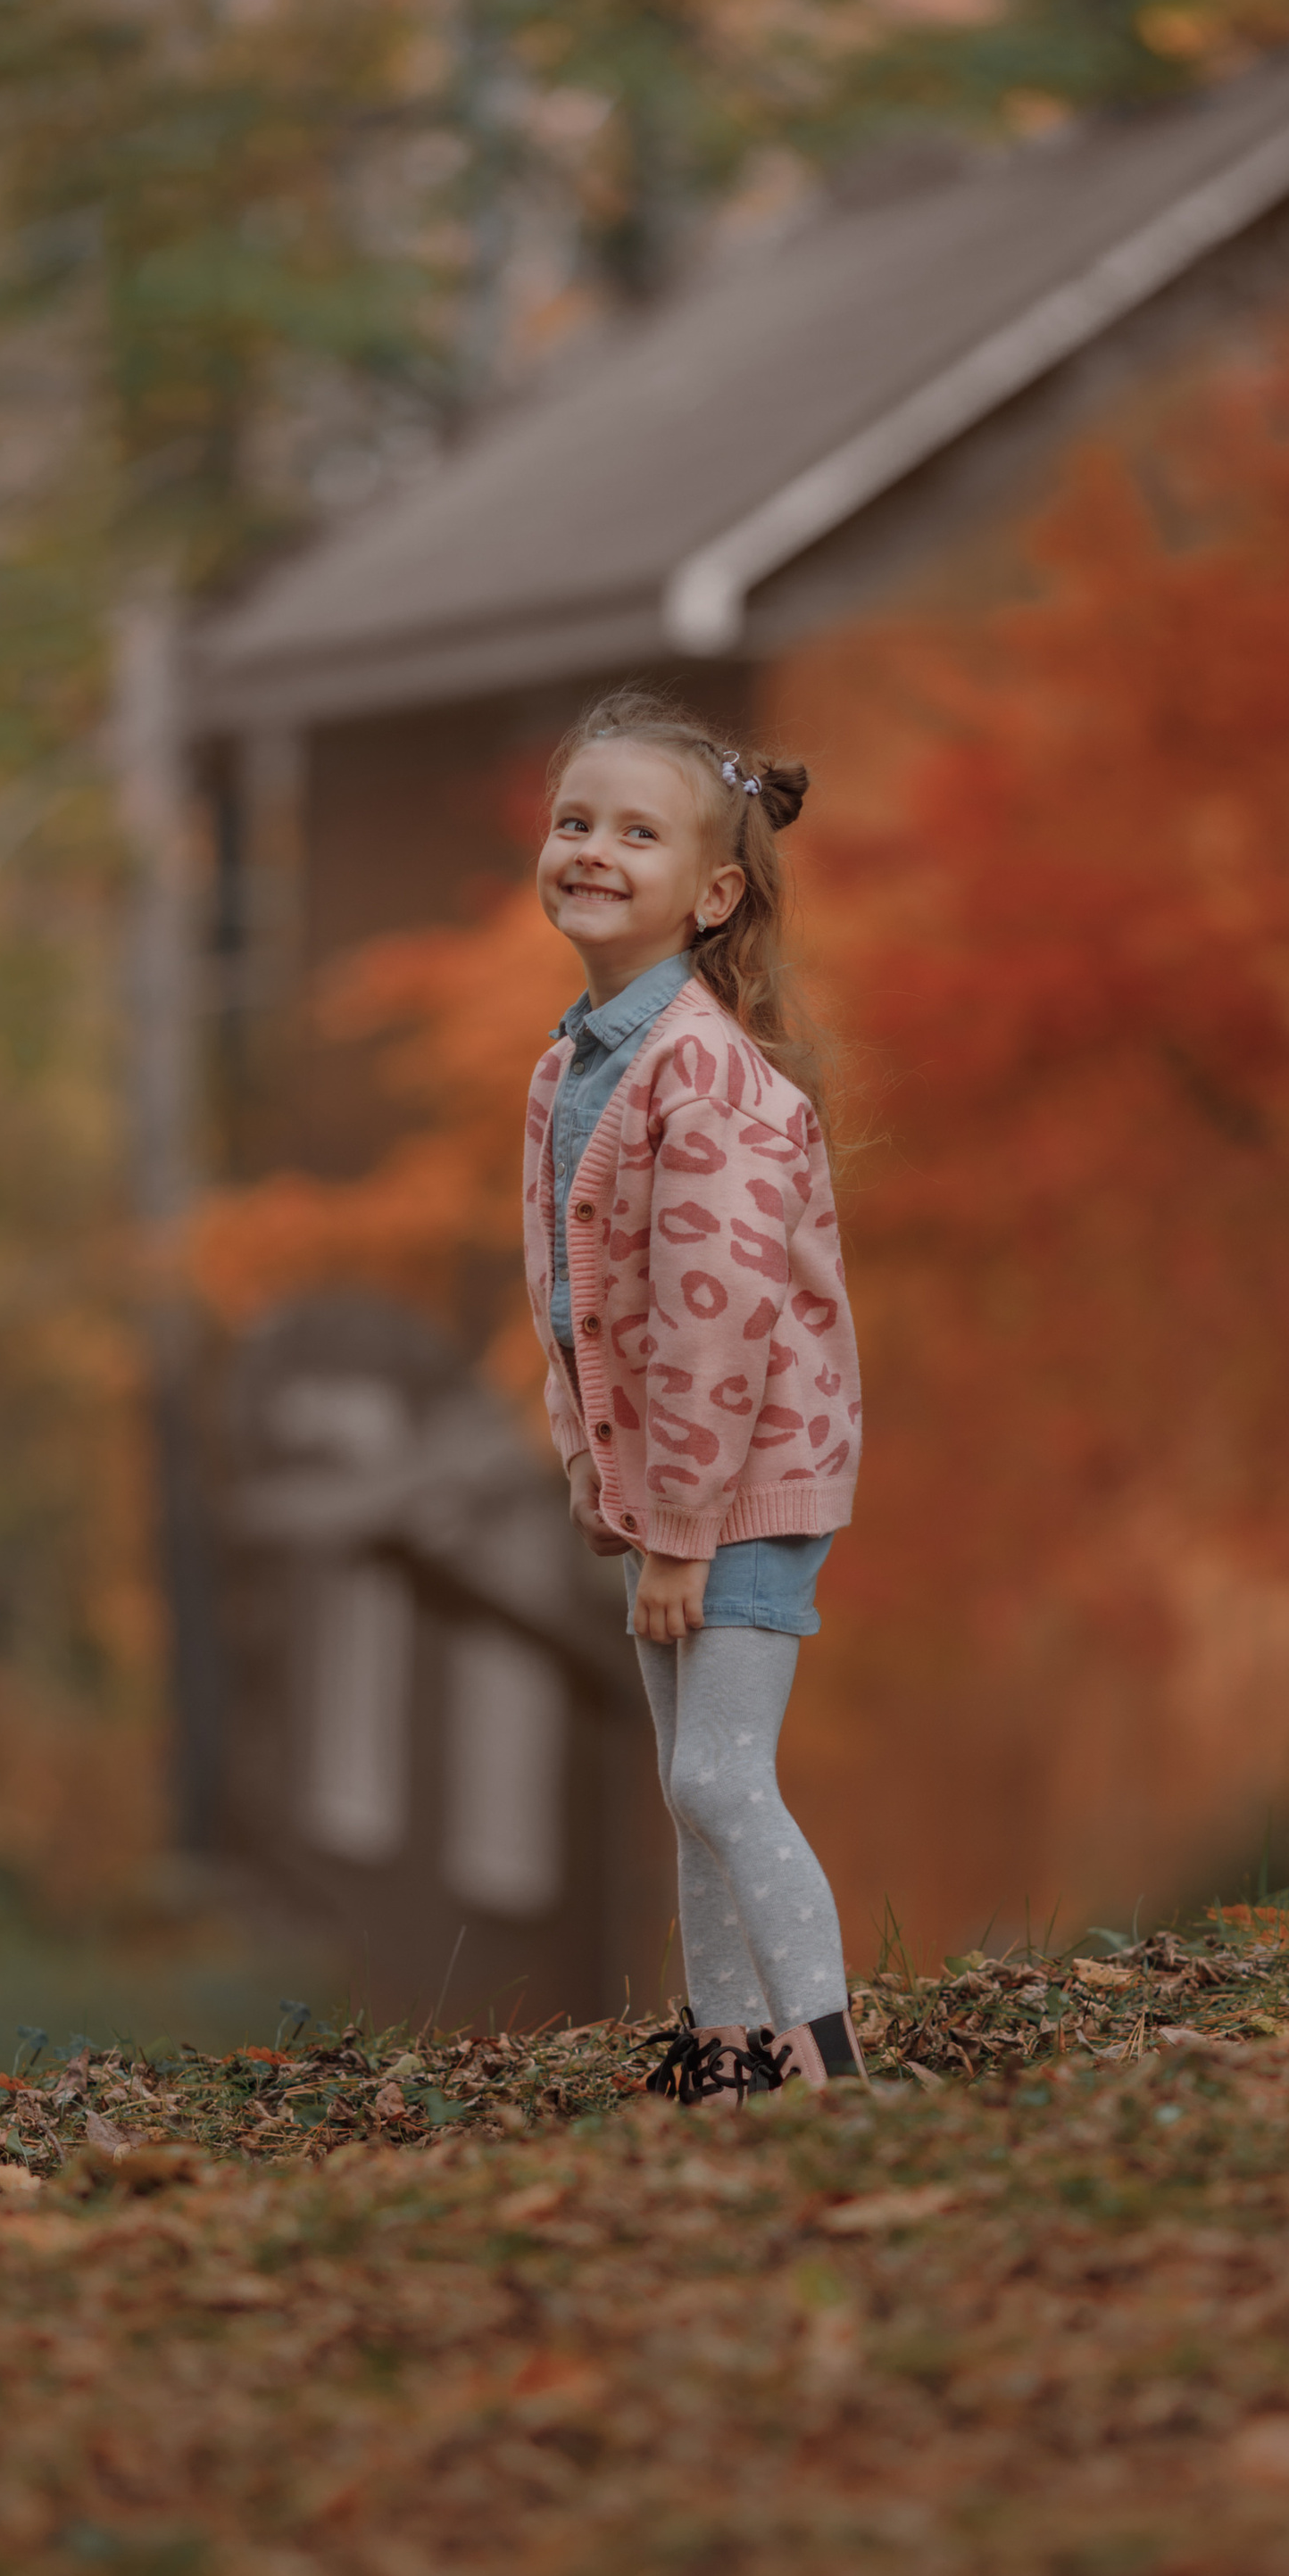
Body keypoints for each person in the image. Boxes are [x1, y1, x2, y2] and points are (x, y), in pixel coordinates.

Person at [521, 685, 866, 2107]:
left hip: (741, 1481)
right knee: (690, 1783)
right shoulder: (584, 1058)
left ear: (713, 892)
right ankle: (724, 2054)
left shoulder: (703, 1075)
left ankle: (827, 2061)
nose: (591, 848)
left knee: (725, 1780)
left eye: (635, 833)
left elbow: (714, 1335)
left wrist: (678, 1530)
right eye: (573, 821)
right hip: (678, 1487)